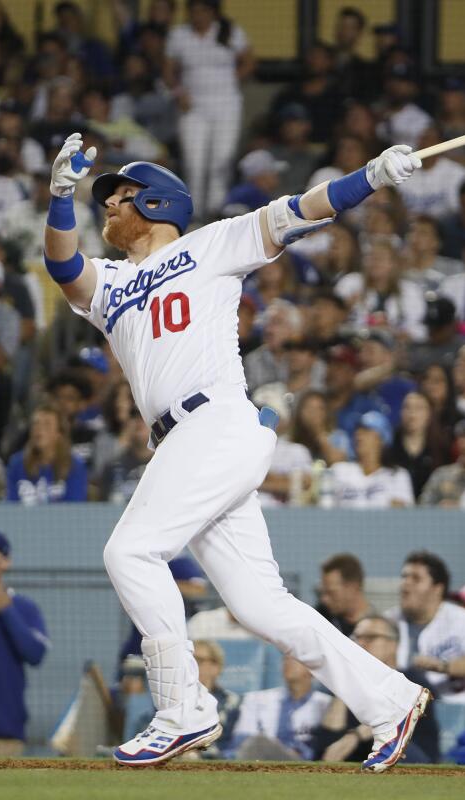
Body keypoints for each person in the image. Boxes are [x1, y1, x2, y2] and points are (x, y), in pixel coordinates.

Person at [43, 131, 430, 769]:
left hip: (215, 422)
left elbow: (299, 210)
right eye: (104, 196)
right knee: (259, 606)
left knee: (130, 551)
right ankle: (390, 699)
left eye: (121, 195)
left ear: (159, 205)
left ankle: (181, 709)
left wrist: (373, 175)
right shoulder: (112, 285)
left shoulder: (210, 244)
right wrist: (60, 195)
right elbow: (64, 268)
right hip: (186, 441)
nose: (107, 203)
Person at [165, 0, 255, 217]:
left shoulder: (230, 31)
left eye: (202, 11)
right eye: (193, 11)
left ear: (213, 12)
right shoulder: (180, 35)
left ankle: (217, 209)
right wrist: (178, 93)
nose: (198, 16)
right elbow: (168, 70)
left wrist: (230, 82)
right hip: (194, 107)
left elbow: (249, 61)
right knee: (194, 161)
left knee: (222, 159)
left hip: (226, 105)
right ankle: (193, 211)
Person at [314, 616, 439, 764]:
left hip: (412, 761)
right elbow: (327, 746)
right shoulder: (351, 685)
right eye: (356, 638)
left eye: (370, 637)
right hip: (365, 763)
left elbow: (394, 723)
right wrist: (344, 681)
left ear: (393, 645)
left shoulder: (412, 681)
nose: (360, 644)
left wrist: (354, 736)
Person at [0, 529, 49, 756]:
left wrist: (6, 610)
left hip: (5, 734)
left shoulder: (23, 607)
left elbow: (35, 654)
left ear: (6, 562)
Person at [386, 551, 465, 704]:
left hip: (457, 706)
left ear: (437, 588)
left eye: (416, 578)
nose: (406, 583)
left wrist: (442, 665)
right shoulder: (388, 621)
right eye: (404, 576)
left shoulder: (461, 619)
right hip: (403, 710)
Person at [229, 657, 331, 760]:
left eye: (295, 659)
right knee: (258, 743)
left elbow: (324, 745)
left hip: (303, 763)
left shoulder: (326, 704)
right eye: (285, 659)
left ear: (313, 669)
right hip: (263, 758)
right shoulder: (256, 699)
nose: (288, 663)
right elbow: (241, 739)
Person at [5, 403, 88, 504]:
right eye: (36, 423)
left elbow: (74, 510)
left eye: (47, 424)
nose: (39, 429)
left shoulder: (75, 466)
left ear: (59, 434)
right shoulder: (17, 464)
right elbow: (10, 507)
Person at [328, 411, 413, 509]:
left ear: (381, 440)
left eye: (366, 431)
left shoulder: (397, 475)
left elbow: (404, 517)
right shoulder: (339, 470)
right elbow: (324, 508)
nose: (358, 434)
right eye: (358, 430)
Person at [386, 390, 450, 499]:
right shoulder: (389, 448)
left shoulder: (441, 448)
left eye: (419, 408)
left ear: (429, 413)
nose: (412, 413)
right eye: (407, 407)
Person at [318, 553, 374, 636]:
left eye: (331, 593)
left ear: (353, 587)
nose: (324, 599)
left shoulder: (378, 629)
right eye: (323, 593)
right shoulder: (322, 620)